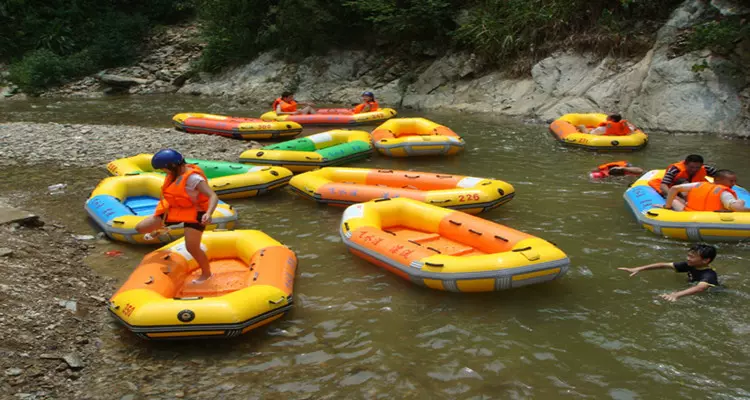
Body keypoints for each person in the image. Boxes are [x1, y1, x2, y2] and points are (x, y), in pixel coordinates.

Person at [136, 149, 219, 284]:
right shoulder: (174, 174)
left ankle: (206, 274)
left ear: (172, 166)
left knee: (192, 247)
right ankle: (160, 230)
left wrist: (208, 213)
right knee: (141, 228)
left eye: (164, 169)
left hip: (196, 212)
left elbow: (213, 196)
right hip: (176, 208)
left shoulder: (193, 178)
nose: (164, 172)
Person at [618, 244, 719, 302]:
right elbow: (664, 265)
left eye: (692, 257)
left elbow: (700, 288)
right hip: (693, 287)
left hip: (712, 297)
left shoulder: (709, 275)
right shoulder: (690, 265)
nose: (688, 258)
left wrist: (676, 295)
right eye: (688, 255)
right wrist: (638, 268)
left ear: (706, 260)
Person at [663, 169, 749, 212]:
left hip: (689, 213)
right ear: (718, 180)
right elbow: (736, 208)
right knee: (740, 201)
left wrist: (667, 206)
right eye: (731, 181)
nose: (734, 184)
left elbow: (674, 188)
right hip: (711, 218)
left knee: (674, 200)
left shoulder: (698, 185)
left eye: (735, 181)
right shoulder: (724, 193)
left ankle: (666, 207)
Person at [648, 154, 718, 205]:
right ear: (685, 164)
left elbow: (722, 176)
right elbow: (663, 185)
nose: (694, 170)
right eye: (691, 167)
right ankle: (687, 202)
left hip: (695, 188)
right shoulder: (675, 170)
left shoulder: (706, 168)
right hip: (676, 189)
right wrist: (673, 196)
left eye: (697, 167)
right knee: (683, 182)